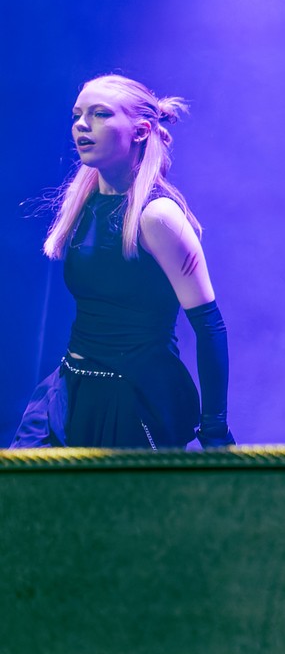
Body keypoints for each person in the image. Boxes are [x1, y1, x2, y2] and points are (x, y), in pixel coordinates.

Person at [14, 75, 232, 450]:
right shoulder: (82, 203)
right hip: (70, 389)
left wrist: (214, 430)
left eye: (100, 114)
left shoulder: (157, 216)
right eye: (77, 115)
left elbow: (210, 326)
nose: (82, 125)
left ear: (140, 131)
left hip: (131, 401)